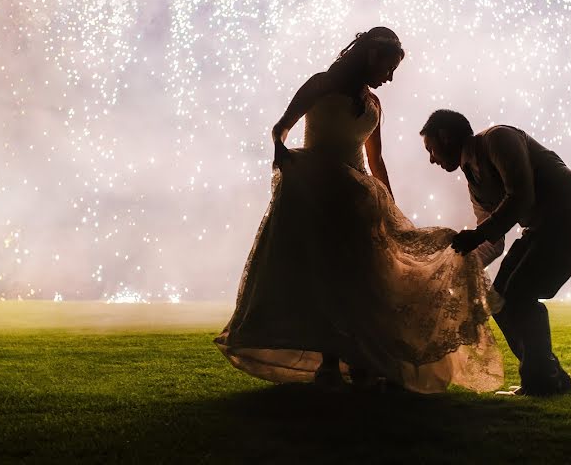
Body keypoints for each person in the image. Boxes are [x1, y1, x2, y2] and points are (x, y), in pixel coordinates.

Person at [215, 29, 503, 393]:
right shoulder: (321, 85)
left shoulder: (375, 105)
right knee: (322, 275)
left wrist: (390, 205)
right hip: (315, 190)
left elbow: (375, 160)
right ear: (371, 55)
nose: (390, 77)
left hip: (356, 198)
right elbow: (282, 126)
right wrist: (279, 148)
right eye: (389, 66)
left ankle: (362, 356)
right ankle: (330, 362)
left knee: (362, 277)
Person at [420, 109, 571, 396]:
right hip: (543, 229)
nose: (432, 159)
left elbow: (521, 196)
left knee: (518, 295)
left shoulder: (498, 139)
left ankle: (541, 381)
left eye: (431, 149)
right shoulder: (474, 182)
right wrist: (457, 268)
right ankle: (548, 377)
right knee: (499, 299)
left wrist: (477, 236)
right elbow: (493, 241)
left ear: (445, 136)